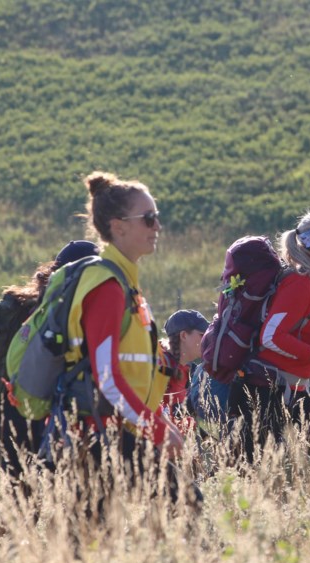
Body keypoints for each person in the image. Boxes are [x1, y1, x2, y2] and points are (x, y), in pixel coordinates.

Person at [58, 171, 197, 509]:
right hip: (103, 435)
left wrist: (159, 421)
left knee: (94, 537)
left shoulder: (125, 285)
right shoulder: (107, 287)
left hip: (119, 431)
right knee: (188, 508)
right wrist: (158, 429)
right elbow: (108, 378)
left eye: (157, 218)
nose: (157, 227)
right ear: (119, 226)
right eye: (148, 219)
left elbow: (134, 375)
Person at [225, 209, 310, 477]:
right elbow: (271, 337)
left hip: (288, 390)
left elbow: (291, 336)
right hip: (266, 391)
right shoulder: (300, 282)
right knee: (254, 475)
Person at [0, 240, 99, 497]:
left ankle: (0, 535)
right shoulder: (61, 310)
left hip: (5, 406)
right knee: (38, 494)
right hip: (33, 408)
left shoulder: (23, 303)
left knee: (22, 492)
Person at [157, 309, 210, 426]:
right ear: (184, 336)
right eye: (202, 335)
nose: (207, 340)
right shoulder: (159, 365)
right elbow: (157, 415)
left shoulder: (189, 370)